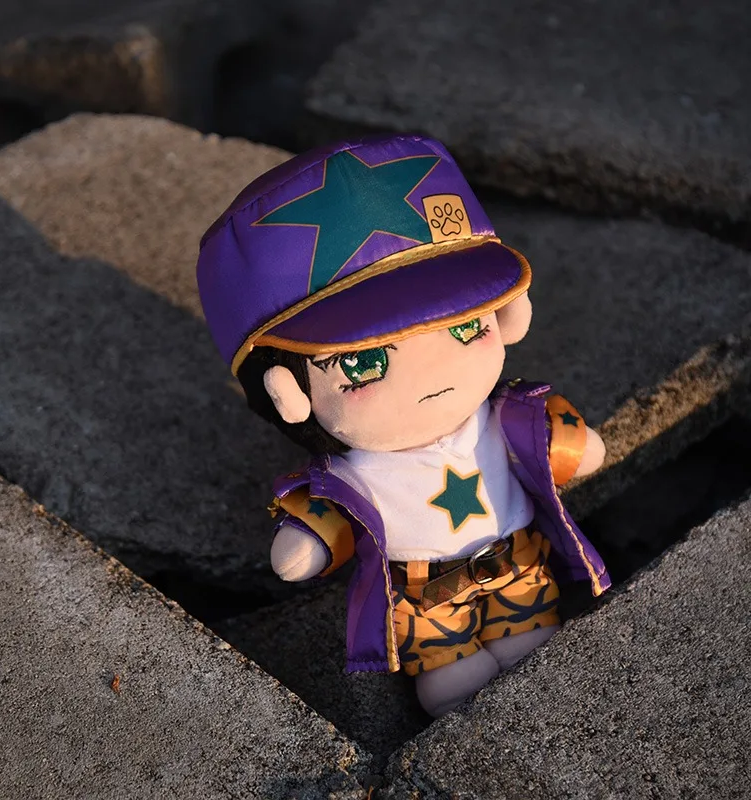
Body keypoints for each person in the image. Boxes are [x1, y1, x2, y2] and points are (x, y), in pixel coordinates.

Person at [197, 133, 611, 716]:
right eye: (363, 363)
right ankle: (451, 669)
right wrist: (309, 539)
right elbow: (324, 523)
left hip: (518, 566)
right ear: (286, 391)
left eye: (463, 326)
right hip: (423, 594)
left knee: (535, 641)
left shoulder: (501, 418)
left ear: (506, 316)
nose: (435, 371)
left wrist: (570, 446)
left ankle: (520, 639)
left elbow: (562, 445)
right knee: (452, 677)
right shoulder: (357, 473)